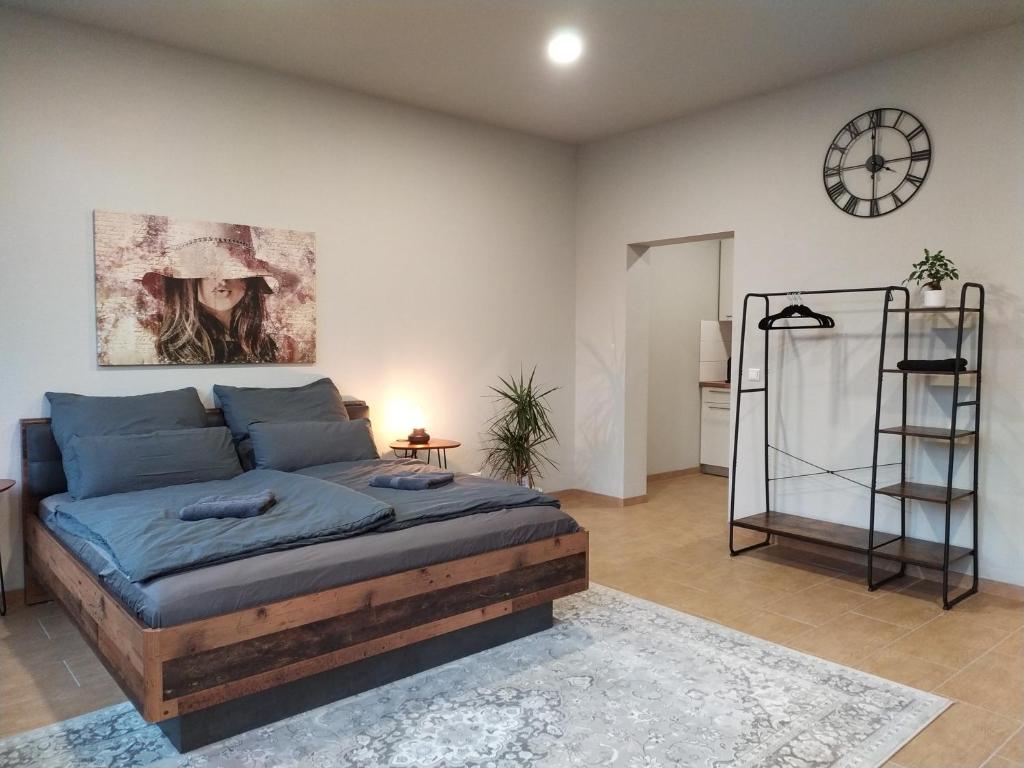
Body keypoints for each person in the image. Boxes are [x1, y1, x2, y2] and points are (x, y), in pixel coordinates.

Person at [141, 223, 283, 364]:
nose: (221, 280)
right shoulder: (164, 350)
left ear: (250, 279)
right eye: (206, 270)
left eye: (233, 267)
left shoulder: (267, 346)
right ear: (185, 282)